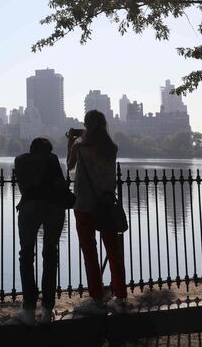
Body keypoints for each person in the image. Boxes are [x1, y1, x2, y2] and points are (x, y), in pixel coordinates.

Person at [68, 110, 128, 315]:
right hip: (106, 206)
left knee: (90, 252)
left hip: (85, 205)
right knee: (114, 251)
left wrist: (72, 141)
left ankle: (97, 299)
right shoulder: (111, 148)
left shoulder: (80, 146)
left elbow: (69, 166)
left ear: (86, 125)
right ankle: (119, 298)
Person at [14, 137, 69, 326]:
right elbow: (62, 185)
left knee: (27, 255)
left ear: (31, 149)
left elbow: (23, 186)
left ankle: (28, 309)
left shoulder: (21, 160)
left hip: (30, 207)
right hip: (54, 207)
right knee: (50, 254)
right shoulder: (52, 160)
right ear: (49, 150)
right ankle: (47, 309)